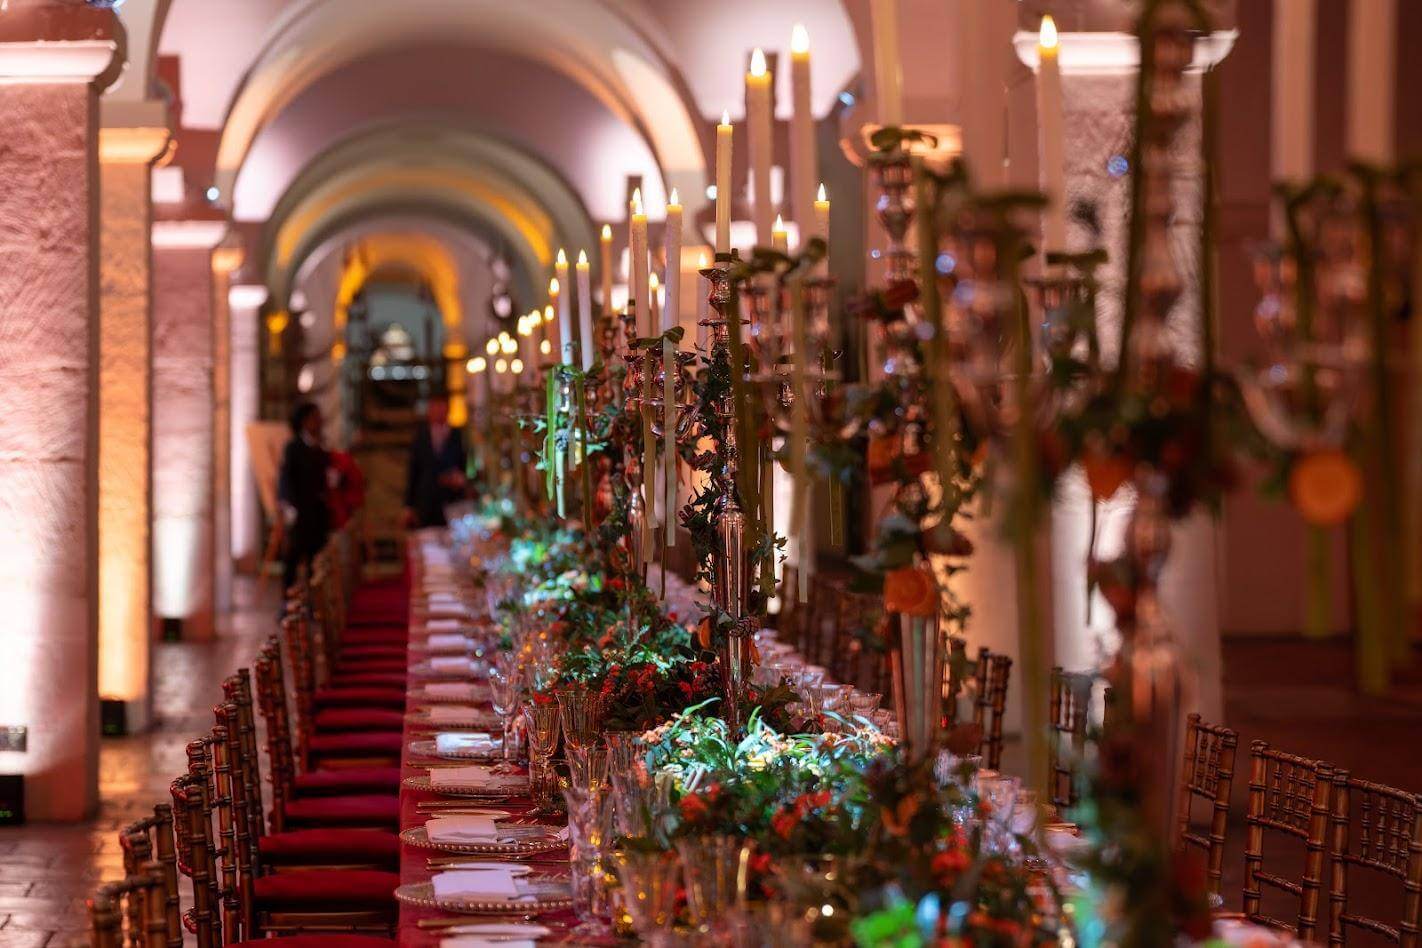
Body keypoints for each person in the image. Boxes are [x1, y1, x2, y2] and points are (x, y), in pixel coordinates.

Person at [276, 402, 331, 593]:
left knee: (316, 563)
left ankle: (313, 605)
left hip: (318, 514)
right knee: (293, 559)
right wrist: (291, 509)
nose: (319, 422)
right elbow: (286, 480)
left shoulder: (320, 446)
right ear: (304, 421)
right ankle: (288, 605)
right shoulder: (294, 447)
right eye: (315, 418)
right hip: (300, 514)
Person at [404, 395, 468, 528]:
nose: (438, 412)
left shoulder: (458, 435)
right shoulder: (421, 436)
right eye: (435, 408)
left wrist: (459, 479)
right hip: (426, 502)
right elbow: (413, 471)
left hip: (451, 501)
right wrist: (408, 506)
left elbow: (464, 466)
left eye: (441, 408)